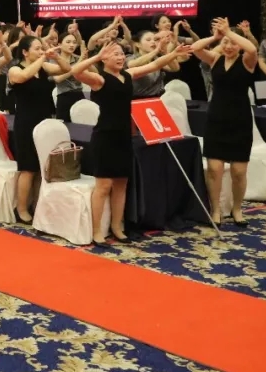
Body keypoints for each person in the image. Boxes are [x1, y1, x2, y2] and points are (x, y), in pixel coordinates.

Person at [69, 41, 191, 244]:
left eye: (121, 54)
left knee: (121, 184)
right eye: (114, 54)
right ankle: (97, 231)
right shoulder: (100, 79)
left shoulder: (127, 75)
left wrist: (174, 53)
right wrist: (96, 57)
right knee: (104, 186)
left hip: (125, 136)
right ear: (105, 58)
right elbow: (76, 71)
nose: (120, 57)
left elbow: (154, 65)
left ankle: (117, 227)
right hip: (105, 137)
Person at [191, 18, 257, 226]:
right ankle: (216, 210)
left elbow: (252, 48)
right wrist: (216, 37)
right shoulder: (215, 59)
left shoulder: (247, 61)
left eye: (233, 43)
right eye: (226, 43)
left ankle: (237, 209)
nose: (229, 46)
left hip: (240, 120)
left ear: (239, 44)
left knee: (239, 171)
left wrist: (230, 32)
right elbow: (196, 48)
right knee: (214, 169)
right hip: (216, 119)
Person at [8, 36, 71, 224]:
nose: (41, 51)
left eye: (41, 48)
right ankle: (21, 209)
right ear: (25, 52)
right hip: (26, 123)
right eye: (37, 48)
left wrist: (56, 57)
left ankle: (36, 205)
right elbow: (22, 77)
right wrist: (44, 58)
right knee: (28, 168)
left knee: (41, 168)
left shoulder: (43, 67)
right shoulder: (15, 69)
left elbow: (66, 69)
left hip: (44, 121)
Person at [128, 30, 180, 99]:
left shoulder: (156, 58)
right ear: (138, 44)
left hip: (159, 97)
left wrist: (166, 51)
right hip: (139, 99)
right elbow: (132, 64)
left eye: (155, 40)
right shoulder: (130, 58)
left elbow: (175, 68)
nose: (153, 42)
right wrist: (156, 50)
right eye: (148, 40)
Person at [54, 29, 86, 122]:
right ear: (59, 44)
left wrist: (85, 60)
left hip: (79, 95)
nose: (72, 45)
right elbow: (58, 79)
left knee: (82, 126)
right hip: (64, 97)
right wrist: (80, 62)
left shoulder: (78, 58)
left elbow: (93, 73)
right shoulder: (55, 59)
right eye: (68, 42)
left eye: (74, 42)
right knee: (64, 127)